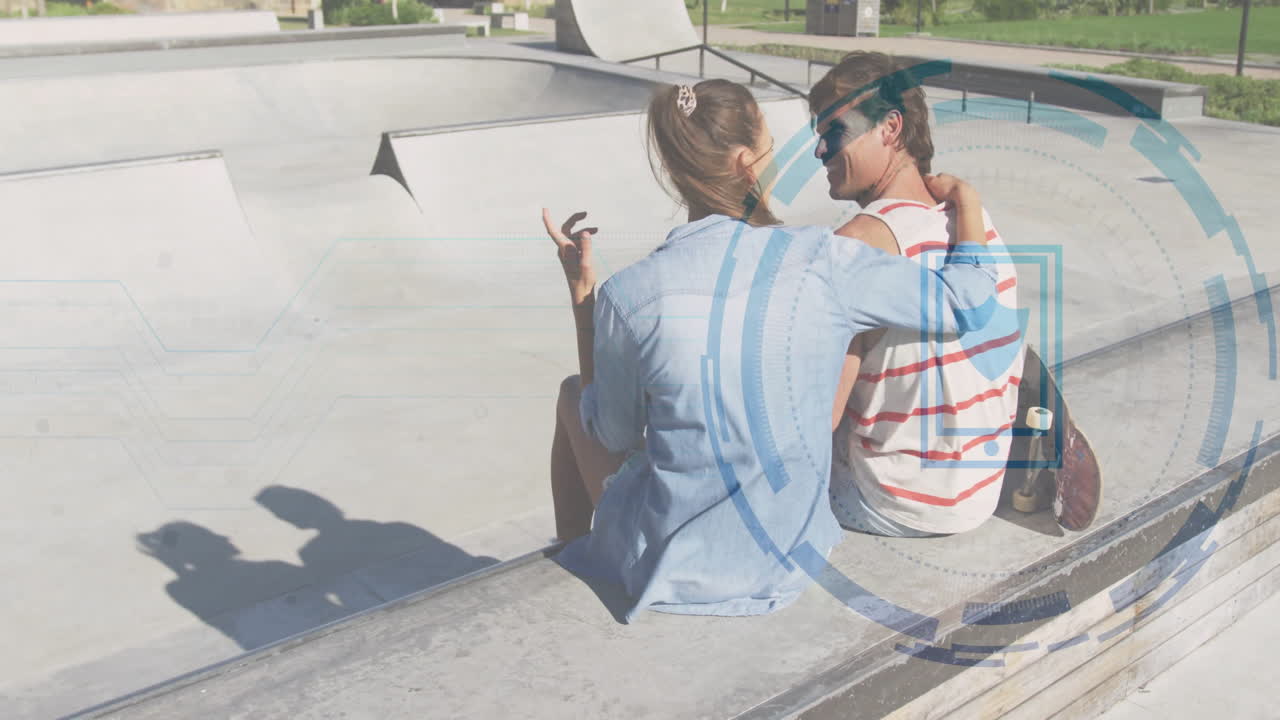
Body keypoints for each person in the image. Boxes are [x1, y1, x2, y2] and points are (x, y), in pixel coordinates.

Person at [543, 79, 997, 622]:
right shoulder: (822, 260)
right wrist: (967, 201)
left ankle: (565, 569)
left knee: (574, 396)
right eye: (769, 149)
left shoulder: (629, 295)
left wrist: (584, 300)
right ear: (745, 164)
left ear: (675, 168)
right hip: (792, 561)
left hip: (671, 571)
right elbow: (964, 306)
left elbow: (612, 433)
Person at [811, 52, 1024, 539]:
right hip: (979, 491)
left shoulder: (855, 246)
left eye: (834, 133)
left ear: (890, 128)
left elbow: (819, 417)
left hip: (893, 502)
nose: (820, 152)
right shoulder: (977, 227)